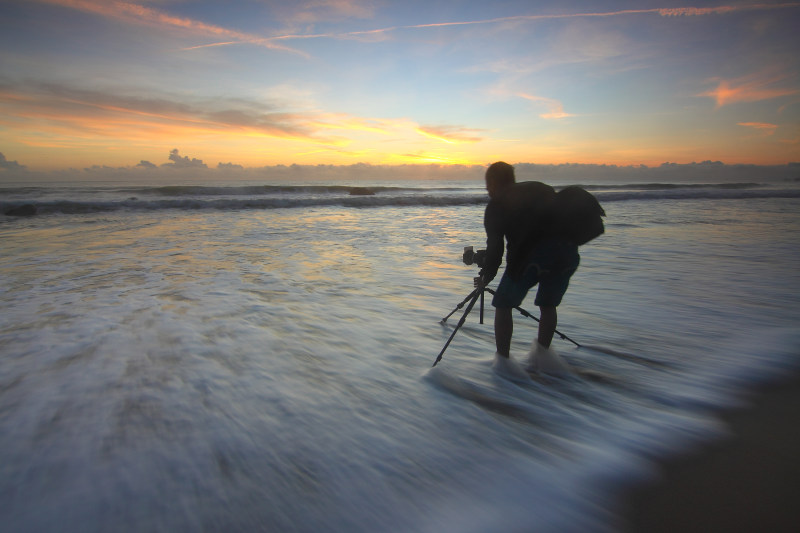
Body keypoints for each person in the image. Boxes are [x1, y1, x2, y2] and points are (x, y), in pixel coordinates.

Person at [478, 162, 578, 377]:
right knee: (548, 304)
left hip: (531, 258)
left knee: (503, 304)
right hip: (567, 254)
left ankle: (503, 364)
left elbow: (495, 249)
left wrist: (487, 276)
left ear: (493, 182)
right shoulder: (541, 188)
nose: (487, 191)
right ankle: (542, 359)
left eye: (487, 185)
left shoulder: (496, 205)